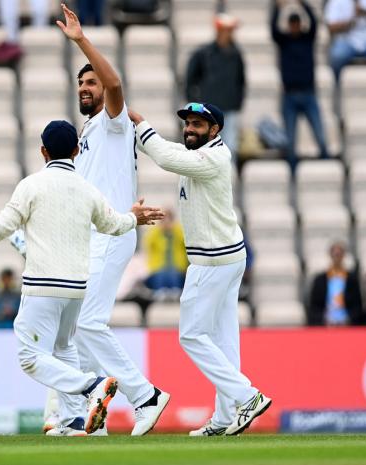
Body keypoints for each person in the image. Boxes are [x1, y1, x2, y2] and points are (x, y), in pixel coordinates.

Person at [0, 120, 165, 436]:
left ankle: (92, 385)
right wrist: (133, 218)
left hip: (43, 285)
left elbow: (6, 223)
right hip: (76, 290)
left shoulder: (31, 185)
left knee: (30, 357)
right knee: (64, 348)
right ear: (75, 151)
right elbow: (112, 225)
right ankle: (73, 420)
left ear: (43, 151)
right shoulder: (88, 189)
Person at [41, 3, 170, 437]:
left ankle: (146, 395)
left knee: (90, 324)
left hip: (115, 234)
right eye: (81, 82)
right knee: (76, 332)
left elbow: (115, 82)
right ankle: (84, 420)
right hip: (91, 238)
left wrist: (81, 41)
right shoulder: (88, 134)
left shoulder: (114, 121)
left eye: (90, 81)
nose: (86, 86)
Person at [129, 101, 272, 437]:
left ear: (215, 130)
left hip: (212, 260)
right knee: (224, 340)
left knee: (191, 335)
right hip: (226, 257)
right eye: (188, 123)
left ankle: (248, 396)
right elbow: (170, 152)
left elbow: (165, 157)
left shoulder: (214, 157)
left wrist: (140, 125)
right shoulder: (200, 153)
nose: (190, 129)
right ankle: (224, 418)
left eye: (198, 125)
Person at [271, 0, 330, 173]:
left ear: (300, 24)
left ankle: (326, 162)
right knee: (290, 138)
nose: (295, 26)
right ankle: (292, 169)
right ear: (289, 25)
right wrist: (277, 8)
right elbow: (273, 29)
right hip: (289, 95)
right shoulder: (284, 42)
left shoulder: (307, 39)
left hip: (308, 93)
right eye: (292, 24)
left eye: (297, 23)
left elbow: (314, 22)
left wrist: (302, 3)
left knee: (319, 133)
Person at [185, 14, 245, 158]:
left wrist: (237, 102)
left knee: (230, 146)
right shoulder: (204, 53)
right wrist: (195, 103)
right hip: (209, 110)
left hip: (229, 108)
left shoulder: (236, 54)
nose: (230, 34)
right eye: (227, 30)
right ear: (219, 31)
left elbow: (240, 80)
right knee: (207, 147)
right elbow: (190, 79)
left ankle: (227, 179)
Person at [324, 0, 366, 82]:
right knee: (338, 55)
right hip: (346, 39)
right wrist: (352, 20)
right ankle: (336, 88)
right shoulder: (336, 1)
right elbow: (331, 27)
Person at [307, 240, 364, 326]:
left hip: (347, 321)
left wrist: (349, 319)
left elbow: (357, 305)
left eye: (339, 254)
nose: (337, 257)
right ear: (330, 255)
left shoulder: (352, 279)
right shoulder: (320, 280)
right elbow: (314, 305)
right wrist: (323, 319)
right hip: (326, 321)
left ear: (343, 256)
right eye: (335, 254)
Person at [142, 208, 188, 301]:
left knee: (174, 275)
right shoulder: (156, 232)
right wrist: (159, 229)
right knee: (161, 275)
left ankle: (175, 291)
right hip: (158, 268)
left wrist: (174, 229)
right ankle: (160, 292)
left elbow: (185, 241)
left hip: (177, 268)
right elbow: (147, 243)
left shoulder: (178, 231)